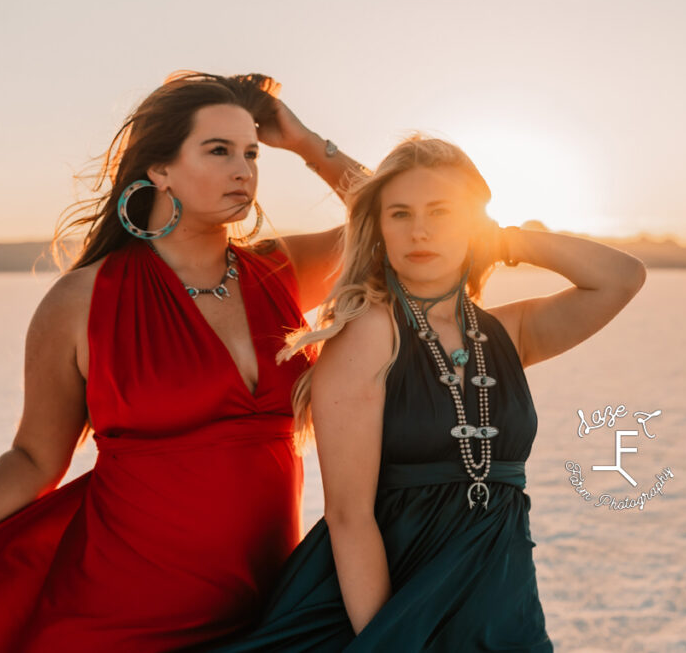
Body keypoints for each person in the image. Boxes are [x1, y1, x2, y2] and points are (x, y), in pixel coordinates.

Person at [0, 71, 366, 651]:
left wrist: (302, 141)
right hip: (120, 616)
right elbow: (32, 460)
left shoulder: (279, 273)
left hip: (268, 610)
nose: (244, 169)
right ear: (160, 168)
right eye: (218, 150)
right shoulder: (81, 302)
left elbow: (403, 223)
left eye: (250, 152)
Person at [208, 136, 647, 652]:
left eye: (442, 212)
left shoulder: (507, 333)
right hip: (395, 604)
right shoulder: (370, 332)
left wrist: (506, 241)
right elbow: (350, 518)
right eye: (400, 214)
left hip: (502, 601)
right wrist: (389, 641)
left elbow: (621, 278)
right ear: (379, 230)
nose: (419, 230)